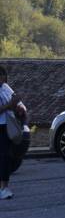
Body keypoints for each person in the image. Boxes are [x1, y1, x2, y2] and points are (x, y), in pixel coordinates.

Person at [0, 64, 24, 201]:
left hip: (7, 125)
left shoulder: (5, 88)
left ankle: (4, 186)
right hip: (1, 125)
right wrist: (10, 105)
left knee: (7, 157)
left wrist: (18, 106)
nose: (4, 78)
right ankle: (3, 188)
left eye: (4, 75)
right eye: (2, 75)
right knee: (3, 157)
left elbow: (14, 101)